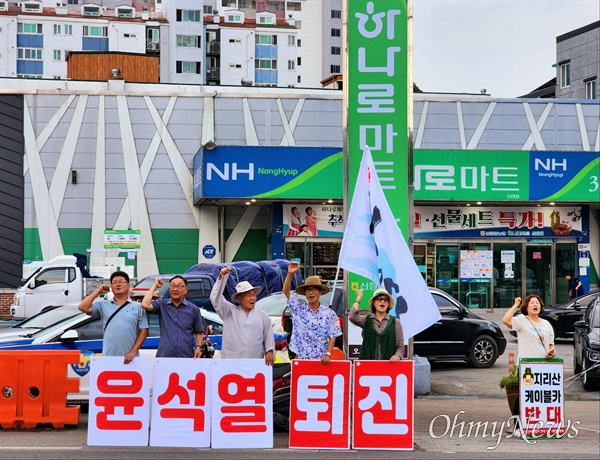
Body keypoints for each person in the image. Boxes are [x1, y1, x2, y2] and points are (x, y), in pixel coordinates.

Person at [502, 295, 556, 436]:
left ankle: (539, 424)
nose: (535, 304)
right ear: (526, 307)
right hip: (527, 367)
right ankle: (517, 426)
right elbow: (506, 320)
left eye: (537, 302)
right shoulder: (522, 321)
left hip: (543, 367)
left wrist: (551, 353)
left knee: (539, 397)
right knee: (523, 396)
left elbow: (551, 347)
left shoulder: (547, 324)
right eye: (532, 302)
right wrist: (515, 304)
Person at [78, 270, 149, 364]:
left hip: (131, 359)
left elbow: (144, 331)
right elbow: (82, 307)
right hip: (108, 357)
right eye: (114, 282)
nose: (118, 284)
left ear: (128, 286)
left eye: (121, 281)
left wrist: (133, 351)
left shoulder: (138, 306)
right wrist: (98, 291)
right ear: (111, 287)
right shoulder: (103, 305)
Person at [210, 267, 274, 365]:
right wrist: (222, 278)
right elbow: (215, 299)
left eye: (254, 295)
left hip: (254, 363)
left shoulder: (263, 316)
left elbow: (269, 336)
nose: (252, 298)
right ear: (239, 298)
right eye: (248, 295)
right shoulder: (229, 311)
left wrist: (269, 351)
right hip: (231, 362)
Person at [283, 261, 342, 364]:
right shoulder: (299, 307)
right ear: (305, 293)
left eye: (314, 289)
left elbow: (333, 335)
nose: (311, 293)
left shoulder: (329, 313)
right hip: (301, 359)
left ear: (320, 292)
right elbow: (286, 291)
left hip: (321, 361)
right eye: (308, 290)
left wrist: (328, 354)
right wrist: (290, 274)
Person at [140, 275, 204, 358]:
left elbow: (199, 332)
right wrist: (154, 286)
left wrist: (198, 347)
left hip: (186, 356)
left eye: (179, 286)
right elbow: (145, 304)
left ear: (186, 290)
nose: (175, 289)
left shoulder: (193, 309)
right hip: (164, 356)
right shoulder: (162, 305)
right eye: (172, 286)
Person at [349, 288, 404, 361]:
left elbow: (400, 346)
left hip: (389, 366)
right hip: (367, 365)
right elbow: (352, 317)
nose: (382, 301)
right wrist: (358, 298)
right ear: (373, 303)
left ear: (388, 304)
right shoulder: (366, 319)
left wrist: (397, 356)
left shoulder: (396, 322)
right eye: (379, 299)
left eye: (386, 300)